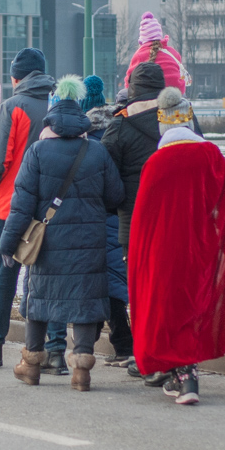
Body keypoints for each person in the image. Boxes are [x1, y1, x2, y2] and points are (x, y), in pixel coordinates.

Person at [129, 89, 225, 405]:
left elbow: (142, 222)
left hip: (162, 254)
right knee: (192, 309)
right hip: (200, 250)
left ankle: (182, 376)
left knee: (168, 312)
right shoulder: (210, 155)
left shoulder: (155, 164)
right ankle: (187, 375)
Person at [0, 76, 123, 391]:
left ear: (51, 115)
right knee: (84, 301)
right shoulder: (95, 151)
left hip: (47, 241)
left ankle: (31, 365)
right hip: (88, 243)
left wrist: (8, 244)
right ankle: (81, 369)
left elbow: (22, 205)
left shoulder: (38, 151)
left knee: (40, 300)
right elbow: (116, 196)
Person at [0, 48, 66, 370]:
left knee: (4, 278)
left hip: (11, 207)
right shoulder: (58, 105)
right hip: (53, 209)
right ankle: (55, 351)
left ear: (15, 77)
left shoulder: (13, 107)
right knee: (49, 279)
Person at [102, 62, 171, 382]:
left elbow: (106, 177)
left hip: (135, 222)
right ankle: (172, 352)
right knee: (170, 288)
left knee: (141, 291)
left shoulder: (119, 124)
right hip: (175, 217)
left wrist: (116, 207)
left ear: (132, 88)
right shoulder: (181, 117)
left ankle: (146, 354)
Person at [86, 100, 133, 367]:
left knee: (96, 288)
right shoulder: (119, 139)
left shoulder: (87, 146)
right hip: (118, 220)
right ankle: (123, 345)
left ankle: (86, 346)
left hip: (92, 222)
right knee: (115, 287)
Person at [123, 12, 188, 93]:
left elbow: (128, 82)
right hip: (176, 94)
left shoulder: (140, 55)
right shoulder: (173, 53)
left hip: (152, 96)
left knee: (123, 95)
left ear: (142, 39)